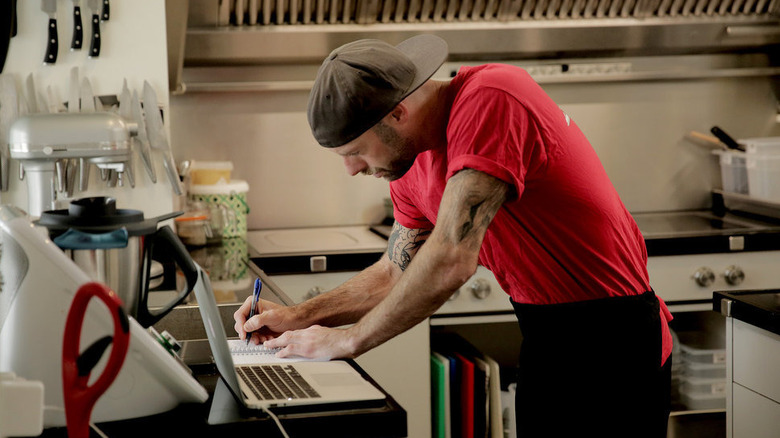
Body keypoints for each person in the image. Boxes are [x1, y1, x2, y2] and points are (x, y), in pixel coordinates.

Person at [234, 34, 673, 437]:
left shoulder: (492, 98)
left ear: (398, 112)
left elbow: (451, 258)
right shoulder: (409, 164)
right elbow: (393, 272)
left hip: (617, 339)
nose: (351, 169)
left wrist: (348, 340)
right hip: (547, 339)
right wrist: (301, 317)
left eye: (354, 152)